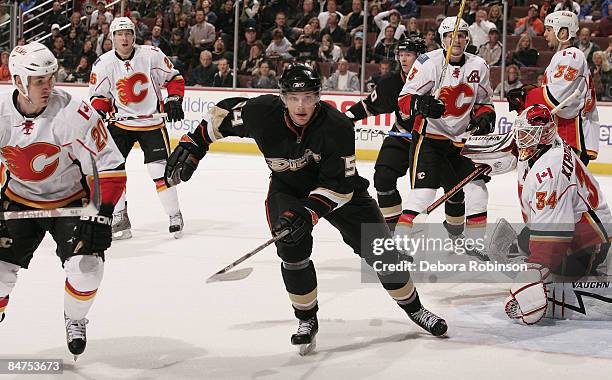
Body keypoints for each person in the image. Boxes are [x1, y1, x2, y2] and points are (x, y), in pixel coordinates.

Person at [163, 64, 447, 354]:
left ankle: (415, 309)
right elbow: (222, 115)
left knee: (382, 252)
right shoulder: (262, 112)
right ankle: (306, 320)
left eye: (309, 97)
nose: (301, 106)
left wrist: (308, 212)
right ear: (282, 98)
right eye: (294, 98)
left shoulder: (336, 126)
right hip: (287, 189)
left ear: (318, 97)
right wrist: (194, 143)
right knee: (291, 250)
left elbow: (340, 186)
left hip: (342, 193)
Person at [0, 42, 126, 358]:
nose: (48, 86)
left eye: (50, 77)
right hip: (19, 199)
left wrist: (102, 211)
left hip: (73, 202)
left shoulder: (74, 113)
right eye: (38, 80)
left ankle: (75, 317)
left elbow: (110, 165)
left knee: (88, 268)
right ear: (18, 81)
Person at [397, 16, 496, 260]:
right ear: (442, 40)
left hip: (462, 141)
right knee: (424, 194)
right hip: (430, 138)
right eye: (450, 36)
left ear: (468, 38)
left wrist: (485, 118)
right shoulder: (427, 62)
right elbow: (403, 100)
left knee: (478, 190)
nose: (456, 40)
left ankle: (475, 243)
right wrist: (422, 103)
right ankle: (399, 246)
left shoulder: (479, 65)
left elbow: (485, 103)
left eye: (461, 35)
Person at [504, 104, 611, 325]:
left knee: (536, 261)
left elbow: (553, 236)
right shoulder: (553, 145)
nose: (521, 139)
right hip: (590, 225)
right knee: (523, 243)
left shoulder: (549, 174)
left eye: (527, 134)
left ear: (542, 136)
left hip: (590, 242)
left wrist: (533, 274)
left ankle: (578, 298)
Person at [89, 17, 186, 240]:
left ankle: (174, 214)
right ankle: (120, 216)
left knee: (159, 171)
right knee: (112, 171)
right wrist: (101, 111)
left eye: (128, 33)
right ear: (111, 38)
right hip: (121, 123)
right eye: (119, 34)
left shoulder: (151, 54)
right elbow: (99, 96)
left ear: (134, 36)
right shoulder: (103, 64)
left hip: (151, 123)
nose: (124, 38)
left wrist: (173, 99)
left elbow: (174, 78)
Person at [345, 37, 427, 229]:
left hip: (432, 141)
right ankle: (393, 229)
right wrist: (346, 118)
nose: (404, 59)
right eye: (401, 55)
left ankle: (457, 233)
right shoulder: (391, 82)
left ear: (421, 57)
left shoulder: (438, 80)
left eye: (409, 55)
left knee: (443, 187)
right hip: (402, 136)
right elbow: (369, 106)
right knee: (383, 178)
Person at [506, 11, 595, 165]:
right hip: (562, 136)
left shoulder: (572, 56)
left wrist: (526, 96)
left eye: (548, 29)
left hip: (571, 137)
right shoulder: (563, 56)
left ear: (562, 32)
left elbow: (554, 97)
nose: (545, 34)